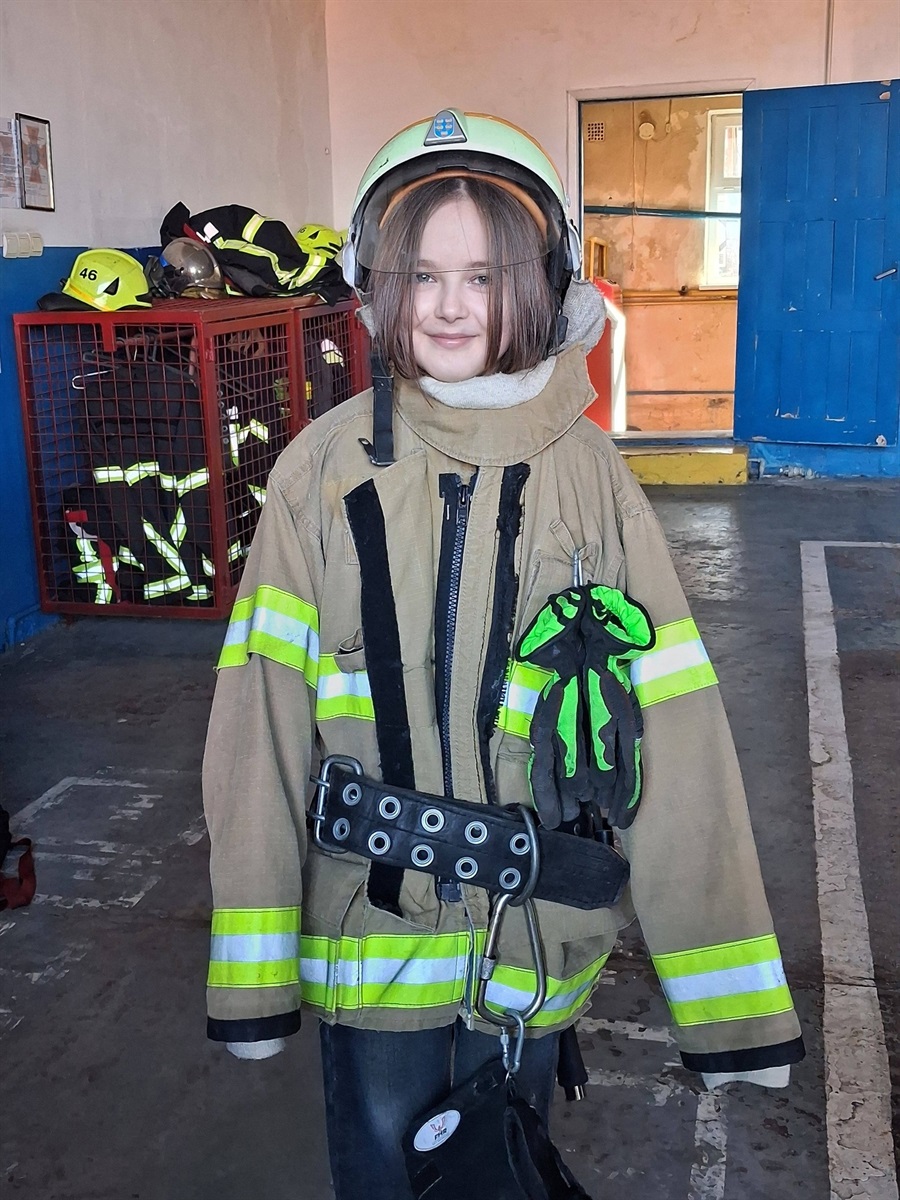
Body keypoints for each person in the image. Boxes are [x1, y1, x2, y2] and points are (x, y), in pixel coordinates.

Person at [203, 108, 804, 1199]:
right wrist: (250, 980)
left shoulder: (594, 478)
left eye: (482, 276)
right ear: (378, 288)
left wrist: (730, 1009)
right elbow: (261, 727)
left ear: (540, 285)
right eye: (421, 276)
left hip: (537, 952)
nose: (448, 306)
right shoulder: (318, 473)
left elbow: (678, 734)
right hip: (369, 953)